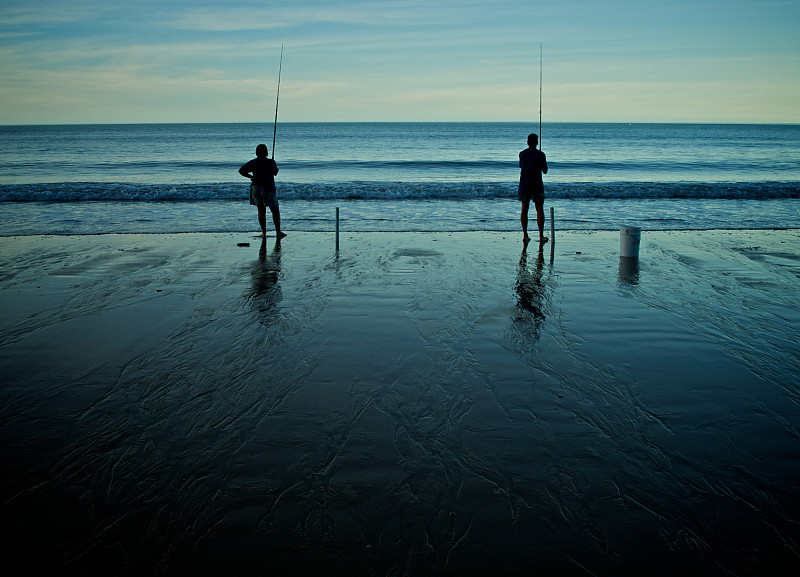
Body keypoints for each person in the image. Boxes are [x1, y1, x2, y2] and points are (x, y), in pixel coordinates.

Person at [239, 144, 286, 239]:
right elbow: (275, 173)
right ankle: (278, 231)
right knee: (275, 210)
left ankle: (264, 233)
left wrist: (251, 177)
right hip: (268, 188)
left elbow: (241, 170)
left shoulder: (253, 162)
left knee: (261, 210)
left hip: (256, 188)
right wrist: (272, 163)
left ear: (257, 153)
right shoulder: (271, 162)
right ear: (266, 152)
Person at [518, 133, 548, 244]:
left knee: (524, 209)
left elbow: (522, 166)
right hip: (537, 185)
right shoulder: (541, 154)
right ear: (537, 142)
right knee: (539, 209)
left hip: (524, 185)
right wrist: (539, 157)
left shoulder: (522, 154)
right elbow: (545, 170)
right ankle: (541, 236)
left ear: (527, 142)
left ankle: (525, 235)